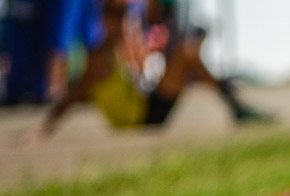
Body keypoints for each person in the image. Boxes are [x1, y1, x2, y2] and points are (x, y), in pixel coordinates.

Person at [34, 0, 270, 138]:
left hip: (143, 108)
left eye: (122, 18)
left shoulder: (112, 50)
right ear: (103, 21)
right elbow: (74, 96)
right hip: (143, 119)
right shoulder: (99, 58)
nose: (122, 24)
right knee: (186, 53)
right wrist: (46, 126)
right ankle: (232, 101)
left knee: (186, 53)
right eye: (116, 18)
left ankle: (232, 101)